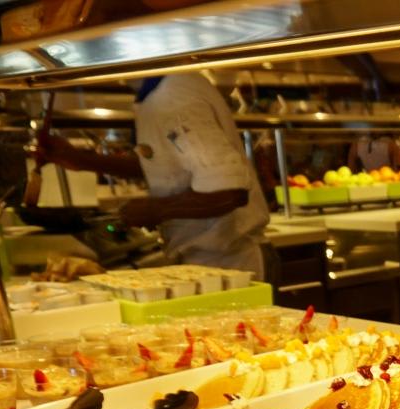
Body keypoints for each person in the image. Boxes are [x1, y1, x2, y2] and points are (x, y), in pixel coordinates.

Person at [38, 73, 270, 277]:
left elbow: (229, 193)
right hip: (210, 262)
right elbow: (166, 166)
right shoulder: (161, 92)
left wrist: (156, 210)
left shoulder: (173, 98)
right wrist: (79, 160)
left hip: (232, 263)